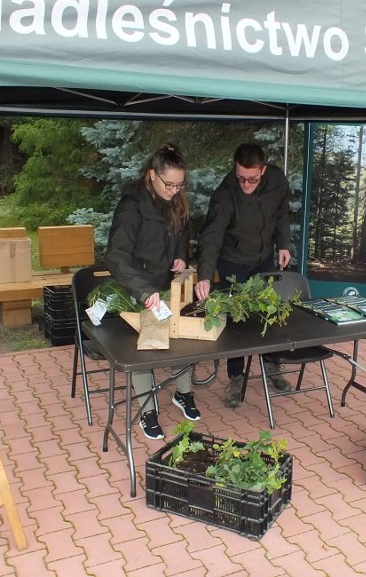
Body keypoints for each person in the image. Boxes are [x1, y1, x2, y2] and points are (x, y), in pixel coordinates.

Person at [104, 144, 201, 440]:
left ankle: (183, 394)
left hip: (165, 284)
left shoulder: (176, 202)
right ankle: (147, 408)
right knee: (145, 346)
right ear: (152, 175)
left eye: (179, 184)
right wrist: (143, 290)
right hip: (137, 287)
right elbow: (116, 255)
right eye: (168, 184)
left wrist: (181, 257)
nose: (174, 190)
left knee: (180, 337)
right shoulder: (132, 205)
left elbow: (181, 235)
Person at [194, 142, 293, 408]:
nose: (246, 184)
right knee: (237, 321)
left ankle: (273, 366)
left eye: (252, 179)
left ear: (264, 169)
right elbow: (211, 235)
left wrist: (284, 243)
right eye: (241, 178)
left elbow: (282, 213)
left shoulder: (277, 181)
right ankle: (236, 377)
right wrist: (204, 274)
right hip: (233, 262)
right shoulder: (226, 193)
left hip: (264, 259)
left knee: (269, 313)